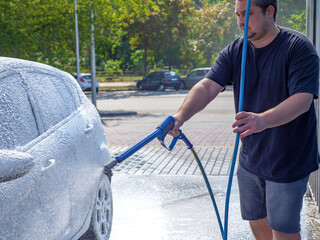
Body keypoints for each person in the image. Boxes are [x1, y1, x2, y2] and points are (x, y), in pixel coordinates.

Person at [170, 0, 320, 239]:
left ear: (270, 11)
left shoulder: (298, 47)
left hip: (288, 161)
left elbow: (302, 99)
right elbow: (208, 86)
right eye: (238, 15)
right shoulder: (236, 50)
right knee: (258, 223)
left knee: (283, 230)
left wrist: (262, 120)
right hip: (251, 160)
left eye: (247, 14)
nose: (240, 22)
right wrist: (180, 116)